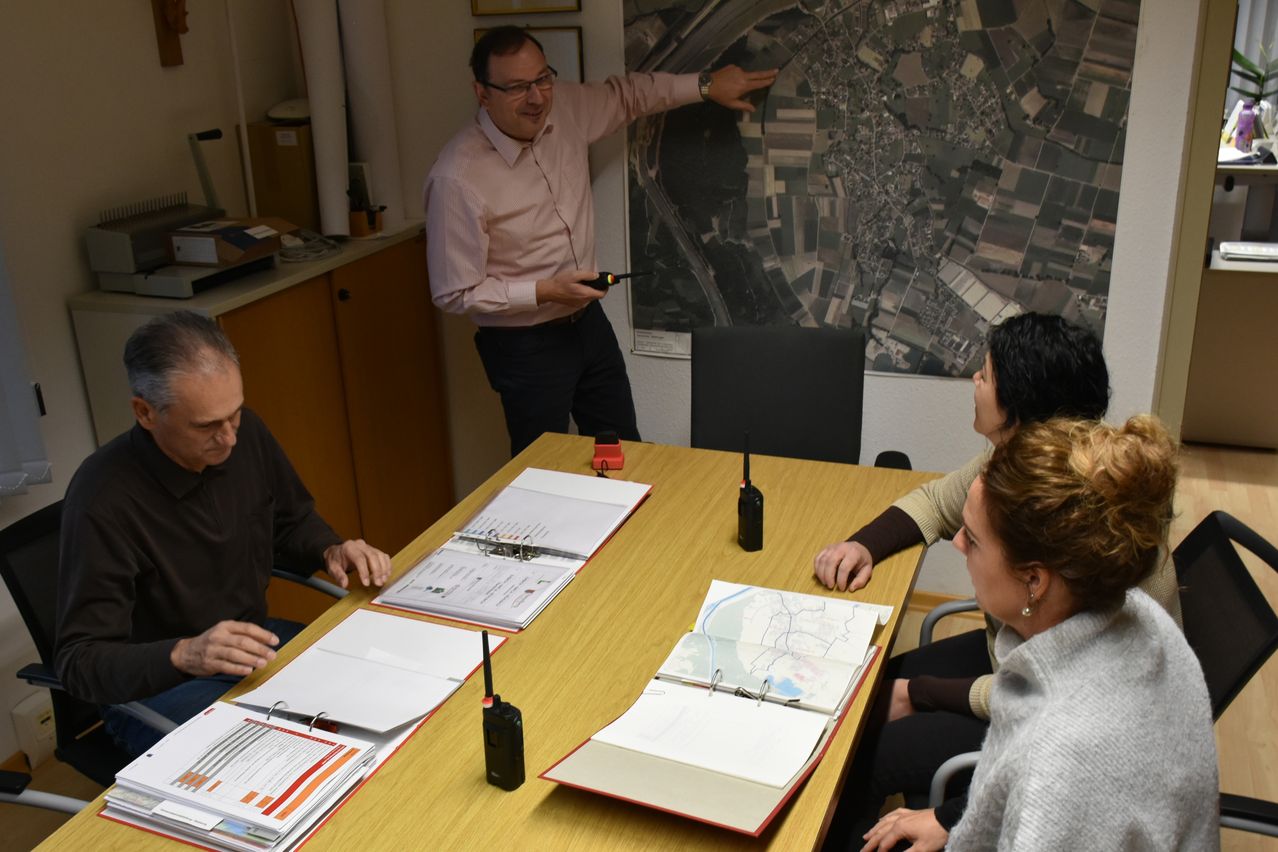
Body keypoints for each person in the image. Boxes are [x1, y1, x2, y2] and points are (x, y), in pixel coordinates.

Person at [818, 313, 1181, 840]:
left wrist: (947, 815)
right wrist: (862, 545)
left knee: (873, 746)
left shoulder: (1085, 562)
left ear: (1035, 580)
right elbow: (937, 502)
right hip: (1021, 676)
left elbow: (1050, 722)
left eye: (985, 374)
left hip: (1062, 745)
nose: (974, 380)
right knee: (868, 691)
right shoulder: (1030, 476)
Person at [862, 416, 1218, 851]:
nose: (957, 543)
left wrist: (952, 822)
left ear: (1034, 580)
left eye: (973, 539)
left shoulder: (1057, 757)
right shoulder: (1142, 615)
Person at [424, 26, 777, 455]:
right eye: (517, 87)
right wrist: (543, 291)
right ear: (482, 93)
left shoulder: (565, 107)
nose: (536, 98)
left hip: (588, 325)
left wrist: (707, 85)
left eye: (542, 79)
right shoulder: (457, 179)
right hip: (523, 346)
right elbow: (454, 291)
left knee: (622, 451)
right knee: (544, 468)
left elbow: (630, 96)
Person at [55, 311, 392, 756]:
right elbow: (79, 661)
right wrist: (185, 653)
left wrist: (330, 548)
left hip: (250, 645)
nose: (229, 438)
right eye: (206, 426)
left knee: (378, 693)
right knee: (291, 757)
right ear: (145, 412)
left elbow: (290, 521)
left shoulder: (245, 434)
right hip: (160, 685)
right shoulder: (102, 499)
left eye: (234, 415)